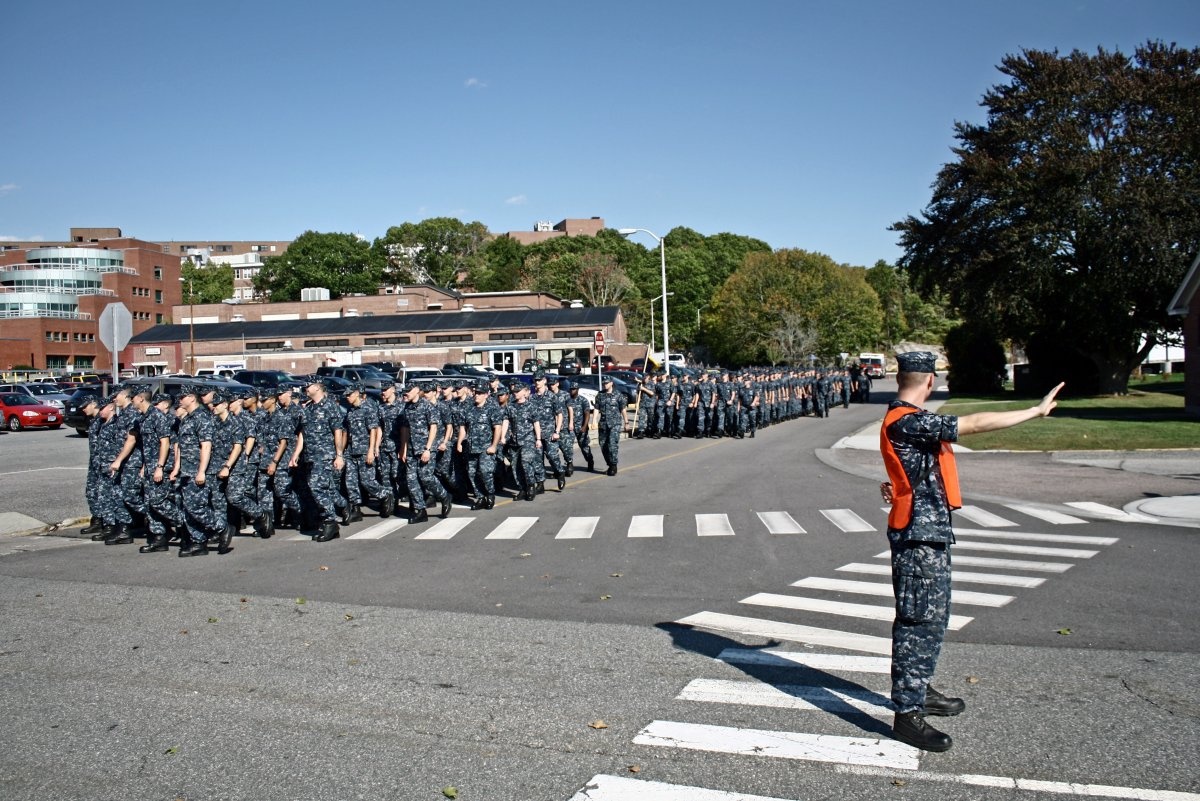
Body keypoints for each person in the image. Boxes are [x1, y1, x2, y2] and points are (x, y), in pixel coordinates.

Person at [880, 351, 1063, 752]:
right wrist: (1034, 410)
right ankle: (907, 713)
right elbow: (975, 423)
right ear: (930, 382)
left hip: (927, 534)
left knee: (933, 616)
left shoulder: (905, 421)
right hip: (918, 538)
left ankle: (919, 687)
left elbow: (910, 473)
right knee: (918, 619)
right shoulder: (909, 420)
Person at [593, 375, 627, 475]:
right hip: (603, 423)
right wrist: (594, 420)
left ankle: (613, 465)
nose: (605, 384)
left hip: (615, 424)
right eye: (604, 383)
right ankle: (609, 463)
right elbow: (596, 408)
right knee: (603, 445)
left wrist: (626, 422)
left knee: (612, 445)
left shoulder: (618, 395)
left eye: (607, 383)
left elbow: (623, 409)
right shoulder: (600, 395)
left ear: (611, 383)